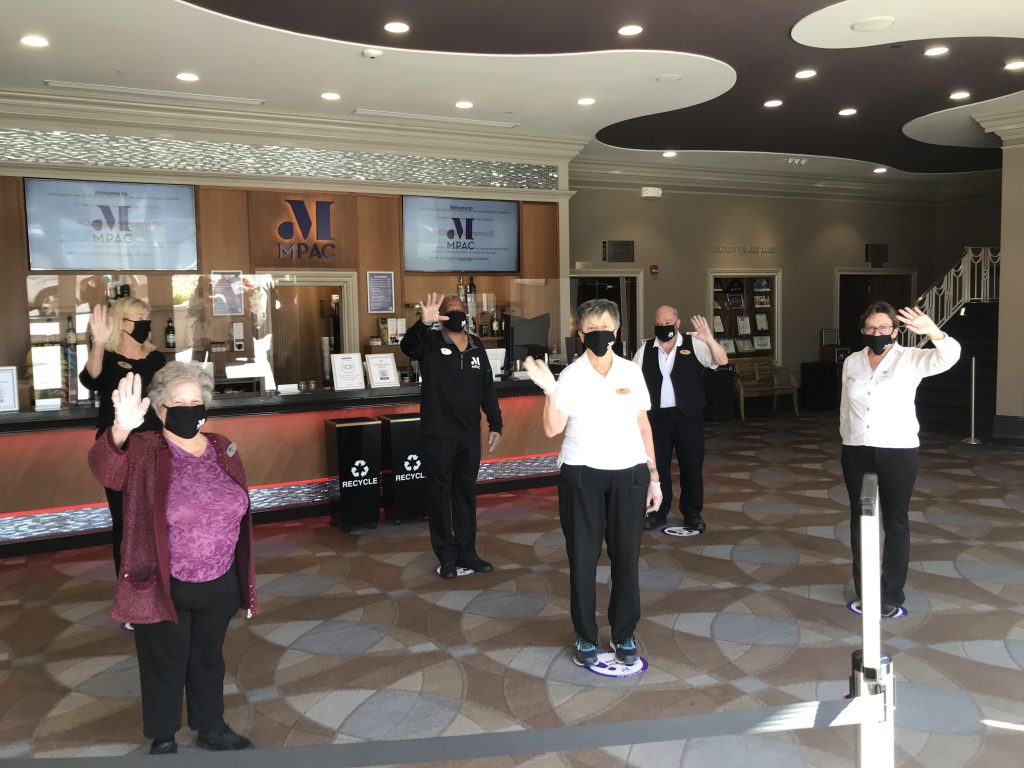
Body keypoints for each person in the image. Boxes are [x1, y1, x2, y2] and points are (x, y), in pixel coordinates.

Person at [88, 363, 258, 754]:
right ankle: (163, 736)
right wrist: (120, 429)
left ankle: (211, 727)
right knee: (165, 661)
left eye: (195, 402)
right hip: (166, 582)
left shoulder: (221, 446)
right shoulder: (146, 448)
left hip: (220, 579)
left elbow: (238, 501)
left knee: (208, 659)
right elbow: (106, 472)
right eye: (178, 403)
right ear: (160, 409)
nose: (188, 409)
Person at [523, 298, 662, 667]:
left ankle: (624, 633)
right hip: (581, 473)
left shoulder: (631, 372)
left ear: (616, 332)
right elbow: (553, 428)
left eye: (606, 327)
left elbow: (644, 426)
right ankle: (585, 635)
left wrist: (655, 477)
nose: (599, 333)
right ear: (581, 334)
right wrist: (549, 391)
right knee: (583, 558)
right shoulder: (570, 376)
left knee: (626, 558)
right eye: (591, 328)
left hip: (630, 472)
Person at [840, 303, 960, 618]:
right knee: (860, 521)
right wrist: (847, 438)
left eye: (883, 327)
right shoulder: (852, 362)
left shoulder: (911, 359)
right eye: (870, 327)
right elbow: (845, 407)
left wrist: (932, 331)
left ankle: (891, 593)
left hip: (898, 450)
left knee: (895, 521)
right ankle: (865, 589)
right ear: (863, 330)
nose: (876, 333)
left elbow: (949, 356)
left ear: (896, 330)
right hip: (857, 449)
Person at [400, 292, 502, 579]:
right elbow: (407, 347)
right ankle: (446, 556)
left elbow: (487, 388)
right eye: (450, 311)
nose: (457, 314)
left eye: (460, 310)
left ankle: (467, 553)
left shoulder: (477, 345)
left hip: (469, 436)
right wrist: (423, 323)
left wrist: (495, 423)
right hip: (438, 435)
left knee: (466, 495)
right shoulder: (430, 343)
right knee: (440, 496)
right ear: (441, 316)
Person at [80, 298, 166, 579]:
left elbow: (163, 399)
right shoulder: (105, 355)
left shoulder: (156, 358)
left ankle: (159, 579)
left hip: (154, 445)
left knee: (157, 515)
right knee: (125, 519)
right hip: (119, 447)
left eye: (147, 316)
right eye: (139, 316)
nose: (146, 322)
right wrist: (99, 342)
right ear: (123, 322)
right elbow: (91, 379)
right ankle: (128, 587)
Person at [633, 306, 728, 532]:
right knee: (658, 467)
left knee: (692, 466)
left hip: (688, 416)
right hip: (657, 418)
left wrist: (710, 339)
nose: (664, 325)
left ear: (677, 323)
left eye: (668, 321)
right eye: (659, 322)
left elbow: (722, 361)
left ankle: (692, 513)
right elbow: (633, 382)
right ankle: (657, 512)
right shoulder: (644, 349)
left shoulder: (695, 344)